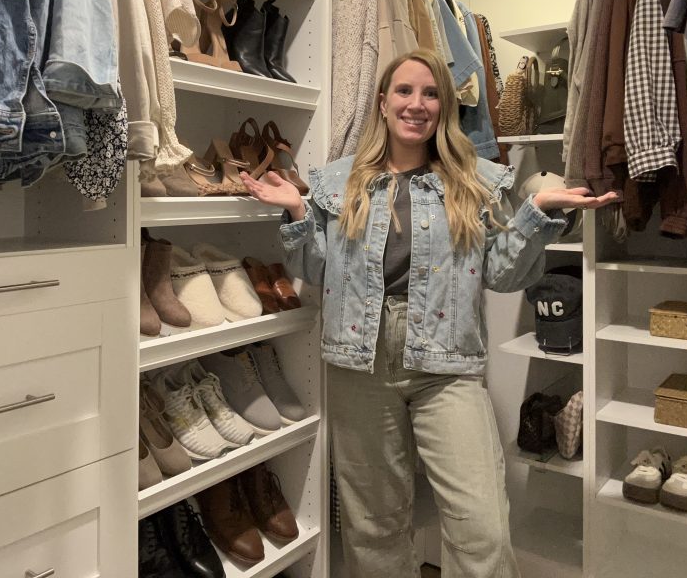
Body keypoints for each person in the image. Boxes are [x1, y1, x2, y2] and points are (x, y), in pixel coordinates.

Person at [242, 49, 616, 578]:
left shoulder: (474, 180)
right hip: (359, 364)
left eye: (432, 93)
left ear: (445, 106)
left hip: (447, 365)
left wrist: (536, 215)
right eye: (404, 91)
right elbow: (318, 271)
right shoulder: (339, 181)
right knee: (374, 526)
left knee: (481, 526)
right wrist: (299, 211)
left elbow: (503, 276)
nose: (417, 104)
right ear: (382, 102)